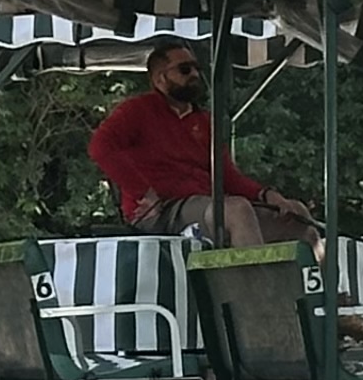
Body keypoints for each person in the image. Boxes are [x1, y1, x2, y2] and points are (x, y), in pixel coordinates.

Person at [86, 40, 313, 244]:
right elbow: (100, 147)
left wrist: (268, 195)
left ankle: (317, 279)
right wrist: (144, 192)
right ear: (159, 79)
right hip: (162, 210)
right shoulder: (137, 110)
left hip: (206, 206)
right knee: (236, 210)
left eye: (196, 68)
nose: (194, 74)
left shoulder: (205, 121)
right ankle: (248, 279)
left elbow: (227, 176)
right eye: (185, 69)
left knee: (297, 215)